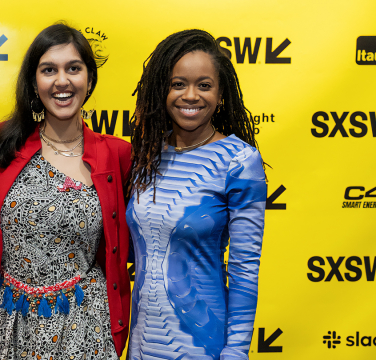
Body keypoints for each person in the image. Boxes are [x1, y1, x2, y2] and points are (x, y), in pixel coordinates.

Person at [0, 23, 131, 360]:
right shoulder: (3, 143)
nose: (62, 81)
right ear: (34, 82)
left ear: (90, 80)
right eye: (49, 70)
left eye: (74, 68)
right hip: (13, 323)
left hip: (86, 326)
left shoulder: (116, 154)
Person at [127, 29, 267, 360]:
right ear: (162, 90)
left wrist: (236, 351)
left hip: (203, 345)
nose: (191, 96)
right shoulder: (147, 155)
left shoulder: (239, 160)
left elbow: (245, 269)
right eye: (178, 84)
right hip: (142, 343)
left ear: (221, 95)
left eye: (204, 85)